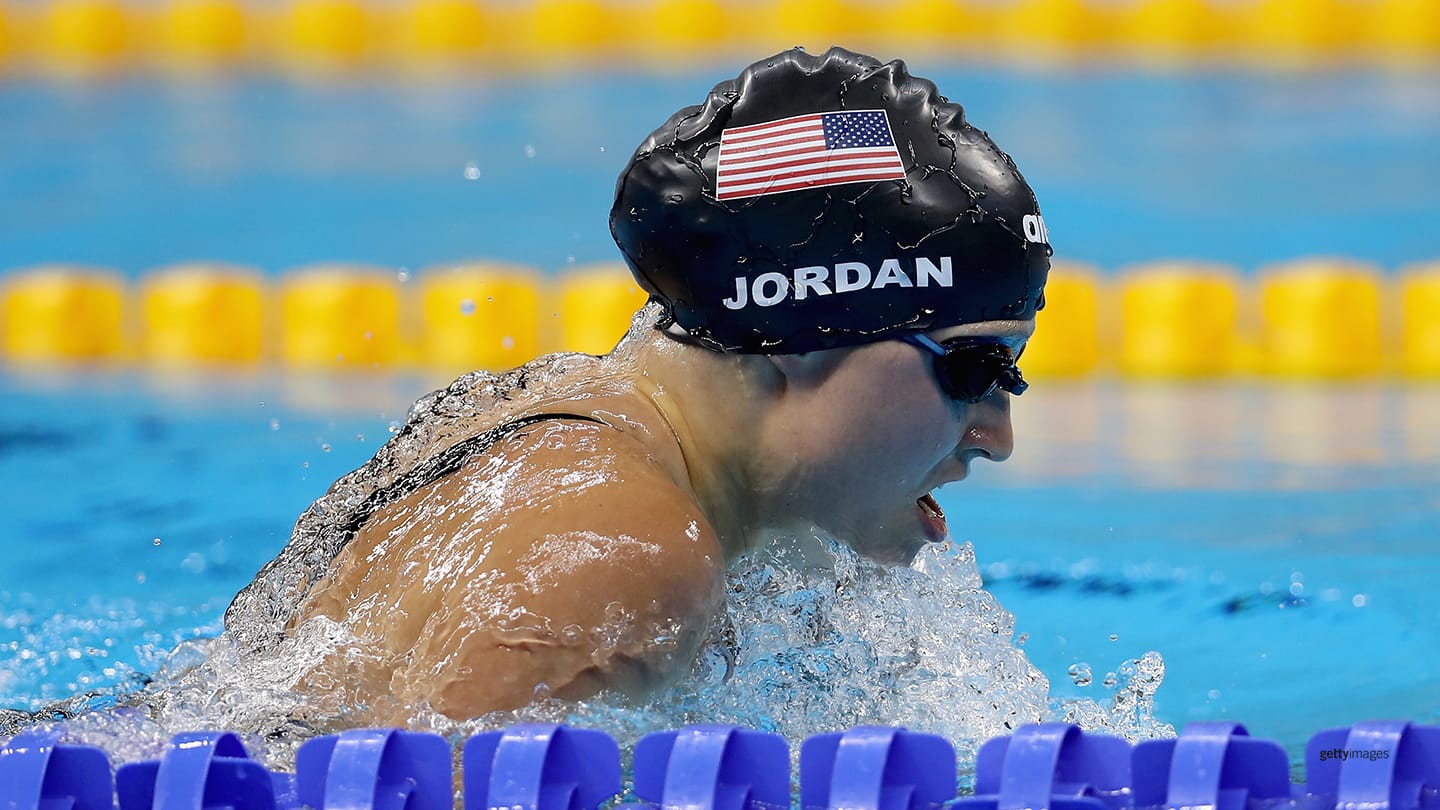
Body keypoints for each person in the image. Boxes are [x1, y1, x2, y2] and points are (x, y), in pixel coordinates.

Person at [224, 46, 1052, 726]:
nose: (998, 435)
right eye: (975, 368)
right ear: (804, 333)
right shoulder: (627, 553)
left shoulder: (584, 435)